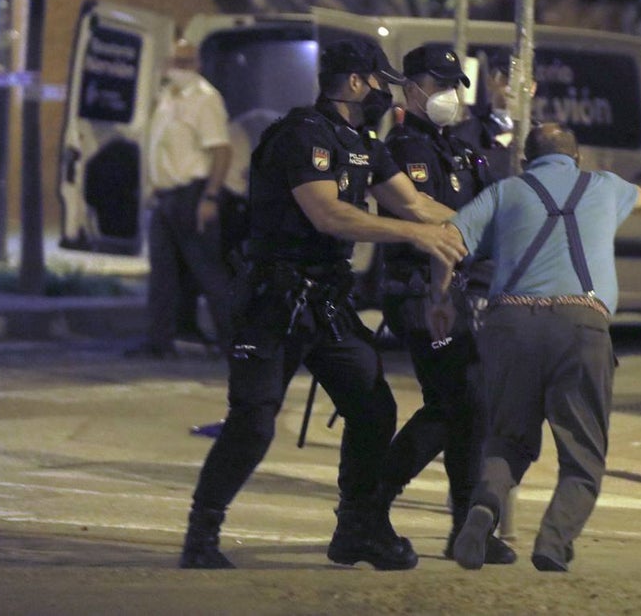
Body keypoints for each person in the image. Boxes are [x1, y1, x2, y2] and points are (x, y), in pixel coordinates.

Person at [178, 39, 467, 571]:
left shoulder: (363, 142)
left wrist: (483, 229)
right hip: (274, 300)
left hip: (327, 302)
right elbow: (328, 215)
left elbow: (417, 203)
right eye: (381, 81)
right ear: (356, 82)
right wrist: (416, 236)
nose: (387, 92)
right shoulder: (301, 135)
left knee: (373, 408)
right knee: (254, 424)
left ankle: (357, 528)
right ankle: (202, 532)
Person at [427, 122, 641, 572]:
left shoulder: (506, 191)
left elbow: (447, 239)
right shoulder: (604, 185)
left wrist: (440, 301)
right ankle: (553, 541)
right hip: (580, 324)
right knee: (582, 454)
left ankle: (482, 512)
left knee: (507, 440)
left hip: (509, 326)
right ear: (578, 158)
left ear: (526, 161)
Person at [376, 45, 515, 565]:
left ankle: (463, 527)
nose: (450, 95)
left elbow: (490, 210)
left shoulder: (459, 149)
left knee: (468, 407)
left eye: (456, 84)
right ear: (411, 88)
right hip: (422, 295)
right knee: (456, 402)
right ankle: (369, 504)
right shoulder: (404, 149)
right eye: (439, 84)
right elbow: (434, 223)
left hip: (458, 295)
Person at [125, 38, 235, 359]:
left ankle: (234, 345)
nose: (181, 69)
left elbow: (221, 151)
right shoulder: (166, 97)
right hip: (165, 197)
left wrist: (211, 197)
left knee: (208, 272)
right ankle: (158, 341)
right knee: (162, 274)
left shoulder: (205, 99)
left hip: (193, 194)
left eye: (187, 62)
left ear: (198, 65)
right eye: (176, 62)